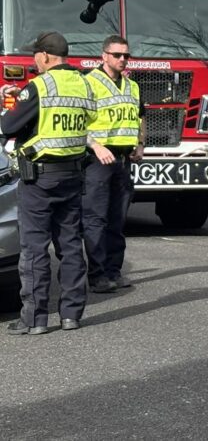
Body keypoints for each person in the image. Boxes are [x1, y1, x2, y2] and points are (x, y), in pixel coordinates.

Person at [2, 31, 95, 334]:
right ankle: (71, 315)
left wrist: (16, 105)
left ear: (44, 56)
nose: (34, 61)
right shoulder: (84, 83)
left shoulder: (39, 86)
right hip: (73, 174)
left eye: (35, 56)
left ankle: (34, 319)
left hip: (39, 179)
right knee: (70, 246)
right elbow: (86, 119)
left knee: (34, 249)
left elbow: (8, 126)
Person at [83, 35, 145, 293]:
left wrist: (141, 144)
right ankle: (97, 276)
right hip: (97, 160)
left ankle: (113, 271)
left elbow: (141, 116)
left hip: (123, 160)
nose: (123, 59)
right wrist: (95, 146)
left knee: (117, 220)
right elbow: (78, 123)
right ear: (104, 56)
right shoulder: (87, 84)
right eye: (117, 55)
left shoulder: (132, 86)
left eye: (126, 55)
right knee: (95, 219)